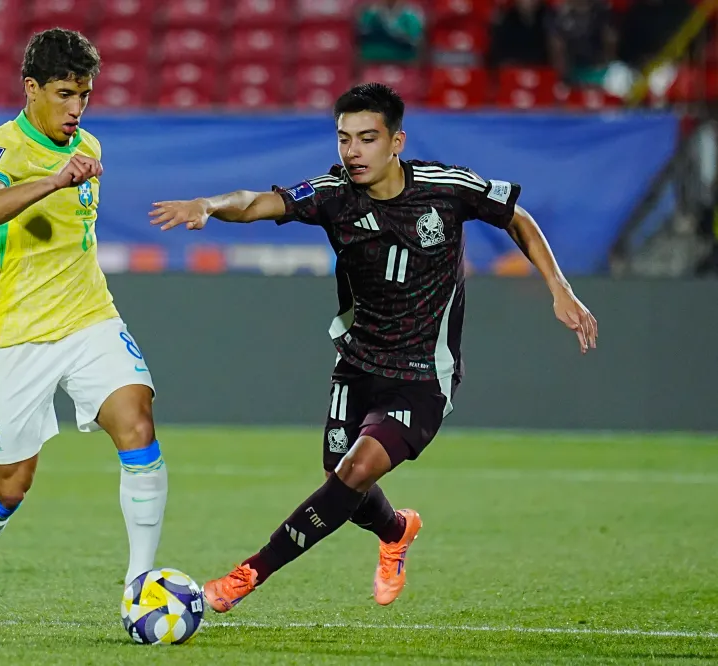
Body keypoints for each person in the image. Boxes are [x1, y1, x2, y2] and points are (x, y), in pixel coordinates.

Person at [149, 83, 597, 613]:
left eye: (366, 139)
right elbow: (255, 203)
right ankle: (397, 529)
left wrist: (559, 288)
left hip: (423, 373)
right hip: (356, 364)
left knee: (354, 473)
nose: (353, 152)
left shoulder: (446, 187)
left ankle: (247, 575)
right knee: (341, 481)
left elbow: (515, 216)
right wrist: (208, 204)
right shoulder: (333, 194)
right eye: (343, 140)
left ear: (396, 142)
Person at [0, 29, 167, 635]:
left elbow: (55, 241)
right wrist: (55, 180)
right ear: (31, 89)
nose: (75, 109)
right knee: (9, 485)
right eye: (64, 94)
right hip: (19, 338)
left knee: (137, 421)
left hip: (91, 320)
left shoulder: (87, 146)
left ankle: (140, 588)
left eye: (84, 96)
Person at [489, 0, 552, 67]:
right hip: (514, 71)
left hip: (542, 70)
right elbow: (498, 57)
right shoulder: (505, 21)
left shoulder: (548, 17)